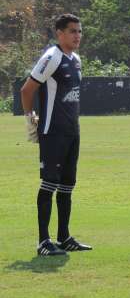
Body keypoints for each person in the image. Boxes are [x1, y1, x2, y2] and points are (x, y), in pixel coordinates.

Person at [21, 14, 90, 256]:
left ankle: (64, 236)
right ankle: (43, 241)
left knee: (68, 184)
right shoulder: (51, 57)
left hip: (72, 131)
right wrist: (30, 118)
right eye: (72, 31)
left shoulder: (76, 59)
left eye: (79, 31)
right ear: (59, 33)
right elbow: (27, 89)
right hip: (53, 131)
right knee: (49, 182)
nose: (77, 36)